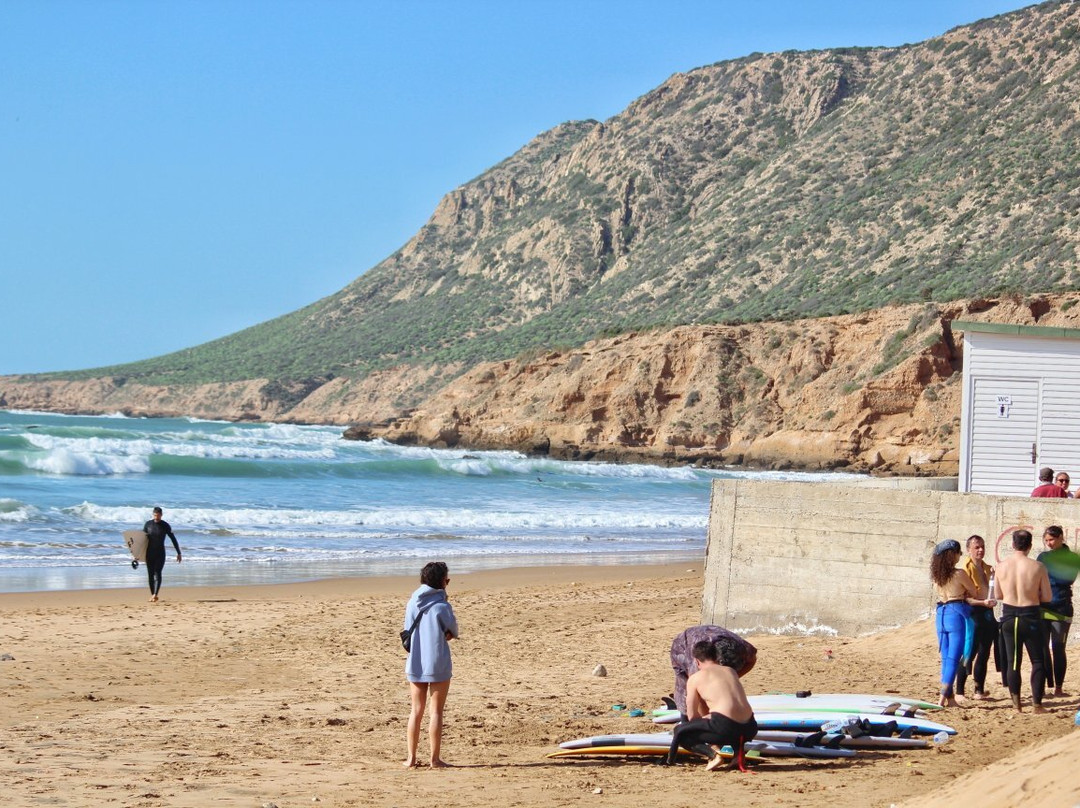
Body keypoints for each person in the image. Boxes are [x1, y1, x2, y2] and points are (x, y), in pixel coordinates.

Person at [666, 637, 758, 772]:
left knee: (681, 731)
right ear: (716, 656)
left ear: (697, 661)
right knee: (727, 723)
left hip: (726, 728)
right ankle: (738, 756)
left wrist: (705, 719)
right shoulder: (730, 671)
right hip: (750, 727)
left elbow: (692, 716)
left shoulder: (695, 678)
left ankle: (713, 756)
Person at [402, 561, 459, 768]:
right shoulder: (442, 605)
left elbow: (407, 629)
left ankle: (411, 758)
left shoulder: (412, 602)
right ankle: (434, 759)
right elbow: (452, 630)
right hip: (437, 661)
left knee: (416, 710)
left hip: (416, 659)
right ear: (442, 582)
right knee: (436, 711)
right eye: (447, 579)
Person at [994, 529, 1052, 713]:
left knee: (1013, 662)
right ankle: (1037, 704)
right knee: (1037, 660)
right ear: (1030, 545)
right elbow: (1047, 597)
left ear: (1012, 544)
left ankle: (1016, 704)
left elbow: (998, 595)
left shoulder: (1001, 566)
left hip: (1010, 616)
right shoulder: (1038, 567)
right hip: (1030, 616)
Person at [930, 539, 979, 707]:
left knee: (945, 658)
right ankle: (942, 699)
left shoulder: (937, 576)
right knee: (953, 658)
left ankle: (949, 699)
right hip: (955, 613)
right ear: (953, 555)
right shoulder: (959, 574)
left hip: (941, 614)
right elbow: (973, 591)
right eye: (959, 552)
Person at [669, 625, 757, 717]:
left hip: (713, 636)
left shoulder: (742, 649)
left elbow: (752, 660)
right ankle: (684, 715)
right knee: (689, 692)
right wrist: (706, 720)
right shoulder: (700, 660)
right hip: (683, 645)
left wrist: (728, 679)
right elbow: (697, 692)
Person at [1036, 526, 1080, 697]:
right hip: (1042, 606)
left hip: (1061, 607)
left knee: (1058, 647)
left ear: (1061, 537)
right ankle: (1047, 685)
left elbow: (1067, 579)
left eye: (1051, 540)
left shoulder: (1072, 557)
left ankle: (1059, 687)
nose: (1049, 544)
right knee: (1042, 648)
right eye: (1046, 540)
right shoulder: (1043, 556)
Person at [956, 535, 998, 701]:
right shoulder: (966, 569)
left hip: (987, 612)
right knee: (969, 651)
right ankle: (959, 691)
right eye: (976, 547)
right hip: (973, 612)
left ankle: (979, 689)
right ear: (969, 549)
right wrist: (982, 602)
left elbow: (992, 588)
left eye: (982, 547)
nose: (980, 550)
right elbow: (965, 597)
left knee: (984, 652)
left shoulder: (988, 568)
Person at [142, 506, 182, 603]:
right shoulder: (148, 524)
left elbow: (173, 538)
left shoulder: (165, 525)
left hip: (160, 553)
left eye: (158, 515)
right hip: (149, 553)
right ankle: (153, 595)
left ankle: (155, 594)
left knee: (158, 573)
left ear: (161, 515)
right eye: (155, 515)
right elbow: (141, 540)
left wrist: (178, 552)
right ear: (153, 514)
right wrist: (136, 554)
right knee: (150, 574)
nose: (157, 517)